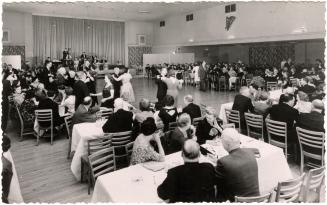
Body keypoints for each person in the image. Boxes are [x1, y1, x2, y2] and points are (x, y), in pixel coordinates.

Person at [215, 128, 259, 202]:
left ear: (227, 144)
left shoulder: (223, 162)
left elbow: (216, 183)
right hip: (256, 200)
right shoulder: (251, 152)